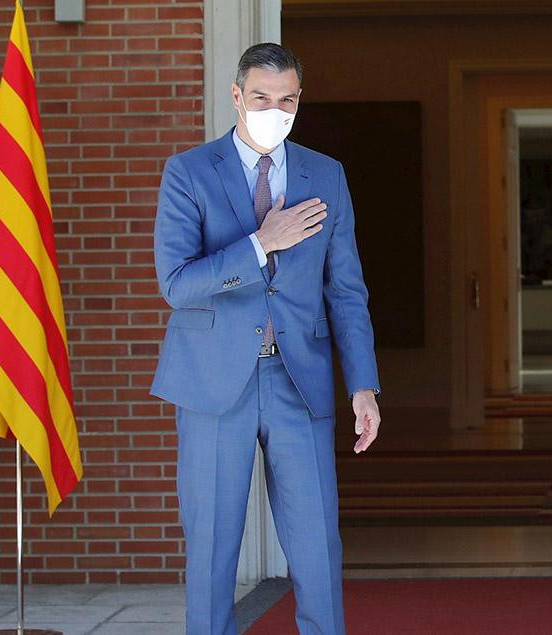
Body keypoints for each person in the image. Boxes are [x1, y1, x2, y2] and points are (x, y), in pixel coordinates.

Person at [151, 43, 381, 635]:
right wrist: (262, 243)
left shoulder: (325, 173)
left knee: (316, 550)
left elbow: (346, 289)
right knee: (211, 552)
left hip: (296, 380)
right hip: (212, 384)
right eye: (261, 98)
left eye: (286, 100)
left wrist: (362, 385)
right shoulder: (189, 171)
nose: (274, 110)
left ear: (298, 100)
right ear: (237, 97)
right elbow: (177, 284)